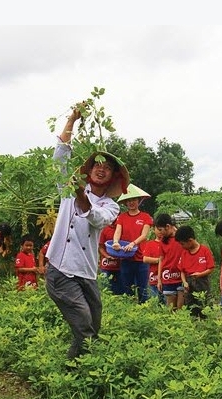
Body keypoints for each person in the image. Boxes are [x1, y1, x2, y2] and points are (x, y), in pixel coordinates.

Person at [45, 104, 129, 361]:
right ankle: (73, 374)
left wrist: (81, 194)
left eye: (107, 166)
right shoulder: (68, 187)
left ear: (113, 176)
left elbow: (96, 217)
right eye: (97, 164)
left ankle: (82, 368)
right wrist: (72, 118)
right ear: (90, 169)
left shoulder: (111, 205)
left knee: (93, 325)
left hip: (87, 271)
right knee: (84, 327)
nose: (101, 168)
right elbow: (60, 155)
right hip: (61, 268)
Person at [111, 184, 153, 304]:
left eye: (133, 199)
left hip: (141, 258)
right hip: (126, 258)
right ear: (125, 203)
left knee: (143, 289)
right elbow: (118, 231)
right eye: (128, 200)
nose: (131, 202)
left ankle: (144, 311)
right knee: (127, 288)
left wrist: (133, 244)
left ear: (139, 201)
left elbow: (144, 235)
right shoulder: (122, 217)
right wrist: (115, 242)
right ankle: (129, 311)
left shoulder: (145, 217)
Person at [175, 225, 215, 318]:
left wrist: (200, 274)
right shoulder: (184, 253)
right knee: (190, 306)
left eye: (182, 244)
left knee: (204, 305)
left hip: (202, 281)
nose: (182, 246)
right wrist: (184, 282)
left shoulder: (205, 250)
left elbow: (211, 268)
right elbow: (182, 271)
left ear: (190, 241)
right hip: (189, 282)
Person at [155, 213, 184, 310]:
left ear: (167, 226)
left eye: (160, 230)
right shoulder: (163, 241)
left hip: (182, 277)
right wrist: (159, 279)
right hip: (168, 277)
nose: (159, 233)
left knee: (181, 308)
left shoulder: (182, 237)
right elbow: (161, 259)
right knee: (171, 309)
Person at [98, 219, 124, 295]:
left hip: (120, 265)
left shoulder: (122, 229)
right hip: (106, 264)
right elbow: (101, 247)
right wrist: (107, 256)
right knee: (106, 288)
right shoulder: (104, 229)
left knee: (120, 290)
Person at [142, 225, 166, 305]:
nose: (160, 231)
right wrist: (159, 260)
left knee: (167, 303)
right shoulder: (150, 244)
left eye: (161, 229)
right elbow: (145, 259)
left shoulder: (168, 244)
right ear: (153, 230)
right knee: (155, 301)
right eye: (158, 229)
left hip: (167, 278)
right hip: (154, 277)